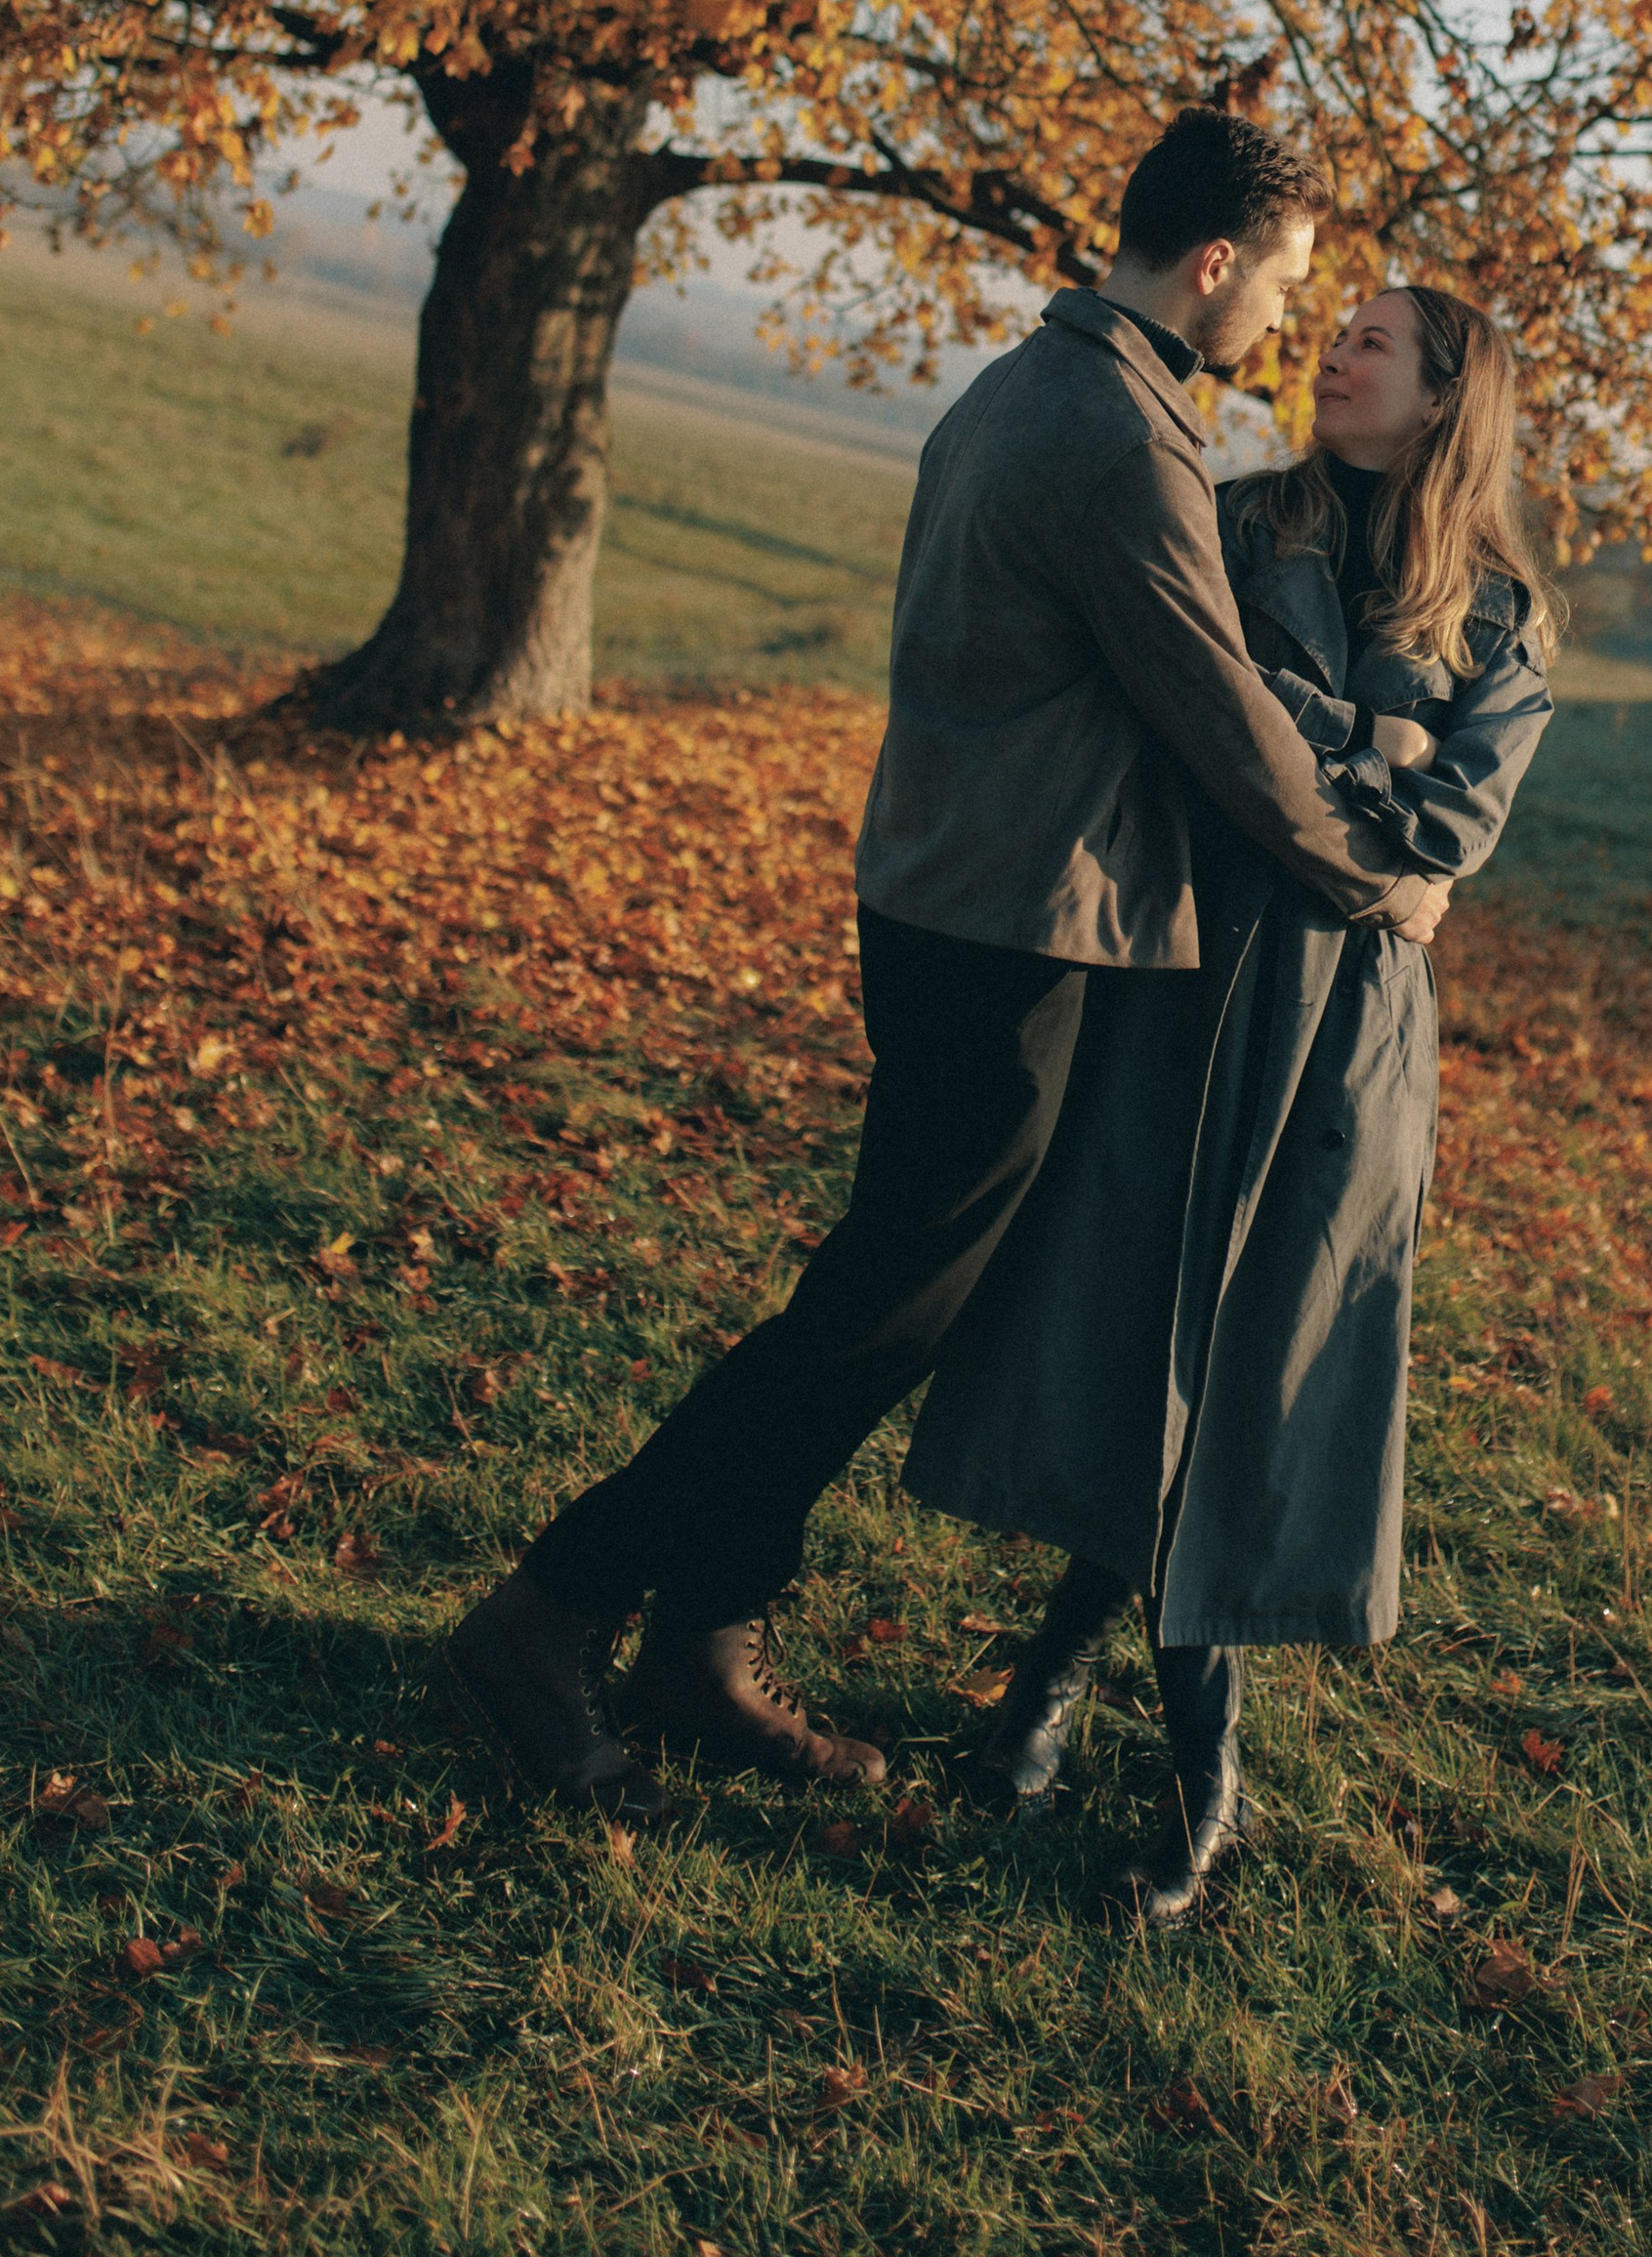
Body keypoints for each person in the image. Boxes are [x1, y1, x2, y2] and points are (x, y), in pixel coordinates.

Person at [441, 112, 1445, 1821]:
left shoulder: (1030, 384)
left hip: (951, 901)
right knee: (871, 1315)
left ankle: (703, 1643)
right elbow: (1219, 715)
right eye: (1279, 282)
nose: (1283, 319)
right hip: (1006, 930)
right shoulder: (1116, 436)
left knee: (887, 1298)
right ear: (1214, 264)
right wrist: (1376, 877)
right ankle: (555, 1609)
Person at [901, 282, 1557, 1919]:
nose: (1331, 351)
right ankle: (1087, 1727)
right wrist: (1361, 745)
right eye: (1329, 328)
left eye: (1373, 343)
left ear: (1442, 398)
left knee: (1246, 1368)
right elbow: (1190, 728)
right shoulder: (1227, 513)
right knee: (1140, 1347)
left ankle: (1151, 1760)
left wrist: (1310, 749)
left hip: (1340, 1041)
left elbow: (1448, 833)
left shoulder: (1501, 614)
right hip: (1178, 983)